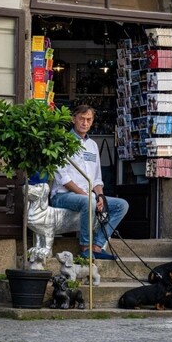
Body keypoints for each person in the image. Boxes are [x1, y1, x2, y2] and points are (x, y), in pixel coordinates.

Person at [50, 105, 129, 260]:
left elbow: (97, 179)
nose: (85, 123)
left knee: (122, 205)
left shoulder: (92, 145)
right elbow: (63, 179)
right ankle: (85, 247)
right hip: (62, 196)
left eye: (89, 120)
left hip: (88, 197)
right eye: (81, 119)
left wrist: (100, 197)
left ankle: (97, 246)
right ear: (73, 119)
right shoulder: (62, 142)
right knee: (89, 202)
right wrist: (90, 197)